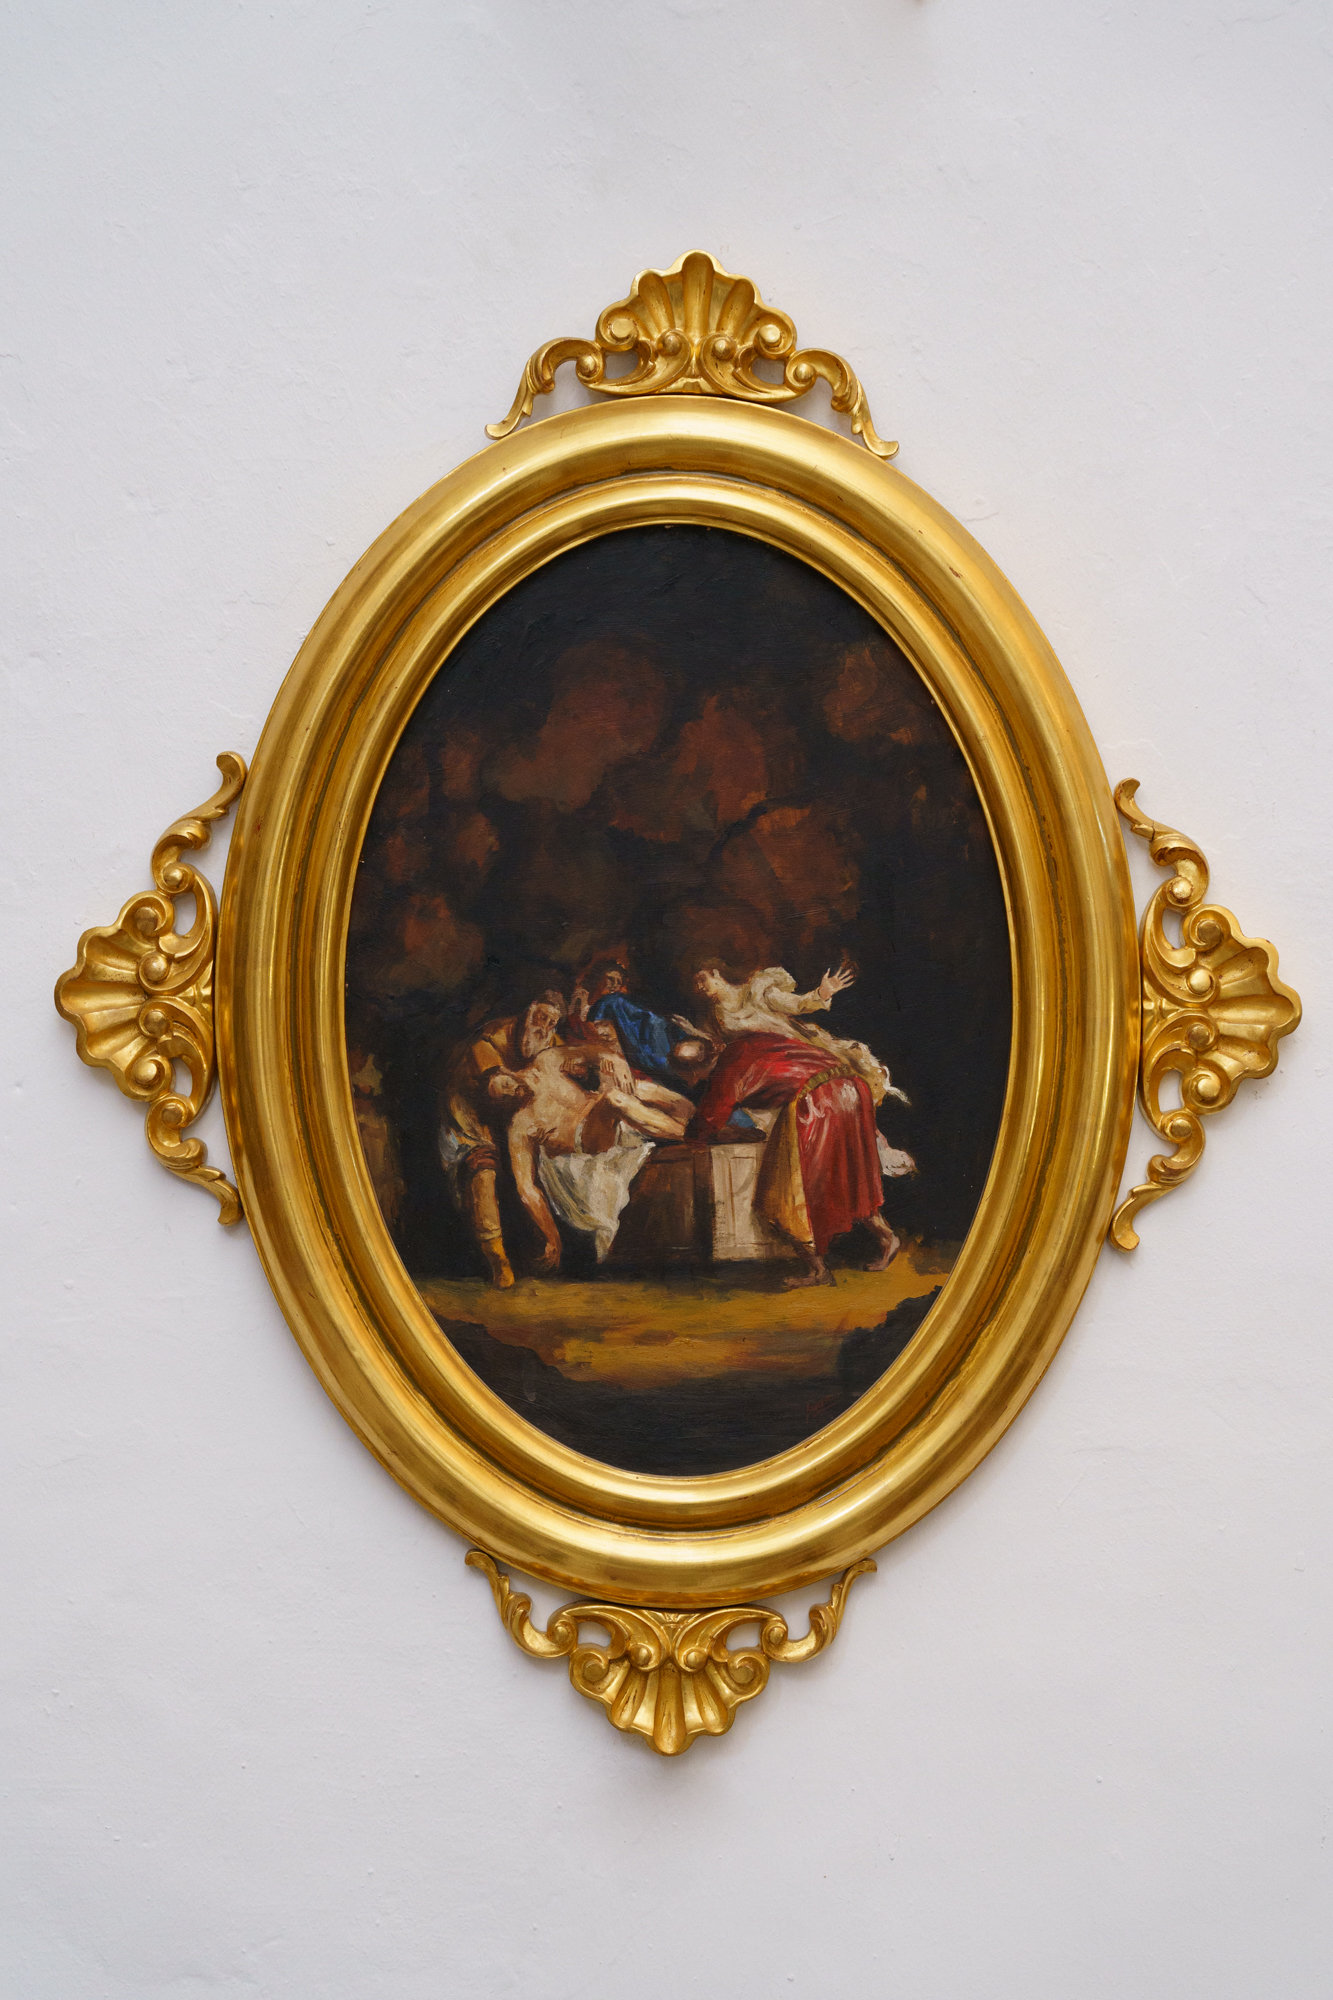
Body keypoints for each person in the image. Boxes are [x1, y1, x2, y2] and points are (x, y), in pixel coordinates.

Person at [689, 961, 913, 1288]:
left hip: (819, 1099)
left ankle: (816, 1270)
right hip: (851, 1088)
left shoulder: (734, 1056)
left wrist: (692, 1139)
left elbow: (711, 1113)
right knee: (849, 1176)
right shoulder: (775, 1044)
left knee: (784, 1195)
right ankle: (886, 1237)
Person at [495, 1023, 694, 1269]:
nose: (511, 1093)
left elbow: (593, 1052)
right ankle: (694, 1135)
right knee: (614, 1099)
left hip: (604, 1117)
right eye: (502, 1099)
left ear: (508, 1072)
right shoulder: (521, 1124)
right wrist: (551, 1237)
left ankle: (701, 1123)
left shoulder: (546, 1062)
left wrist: (614, 1060)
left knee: (650, 1093)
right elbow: (526, 1187)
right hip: (587, 1143)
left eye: (505, 1085)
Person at [440, 993, 564, 1287]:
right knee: (482, 1170)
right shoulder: (490, 1039)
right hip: (469, 1113)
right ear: (529, 1012)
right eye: (541, 1017)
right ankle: (498, 1261)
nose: (544, 1027)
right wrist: (525, 1085)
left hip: (514, 1117)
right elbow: (496, 1087)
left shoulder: (552, 1042)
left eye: (552, 1022)